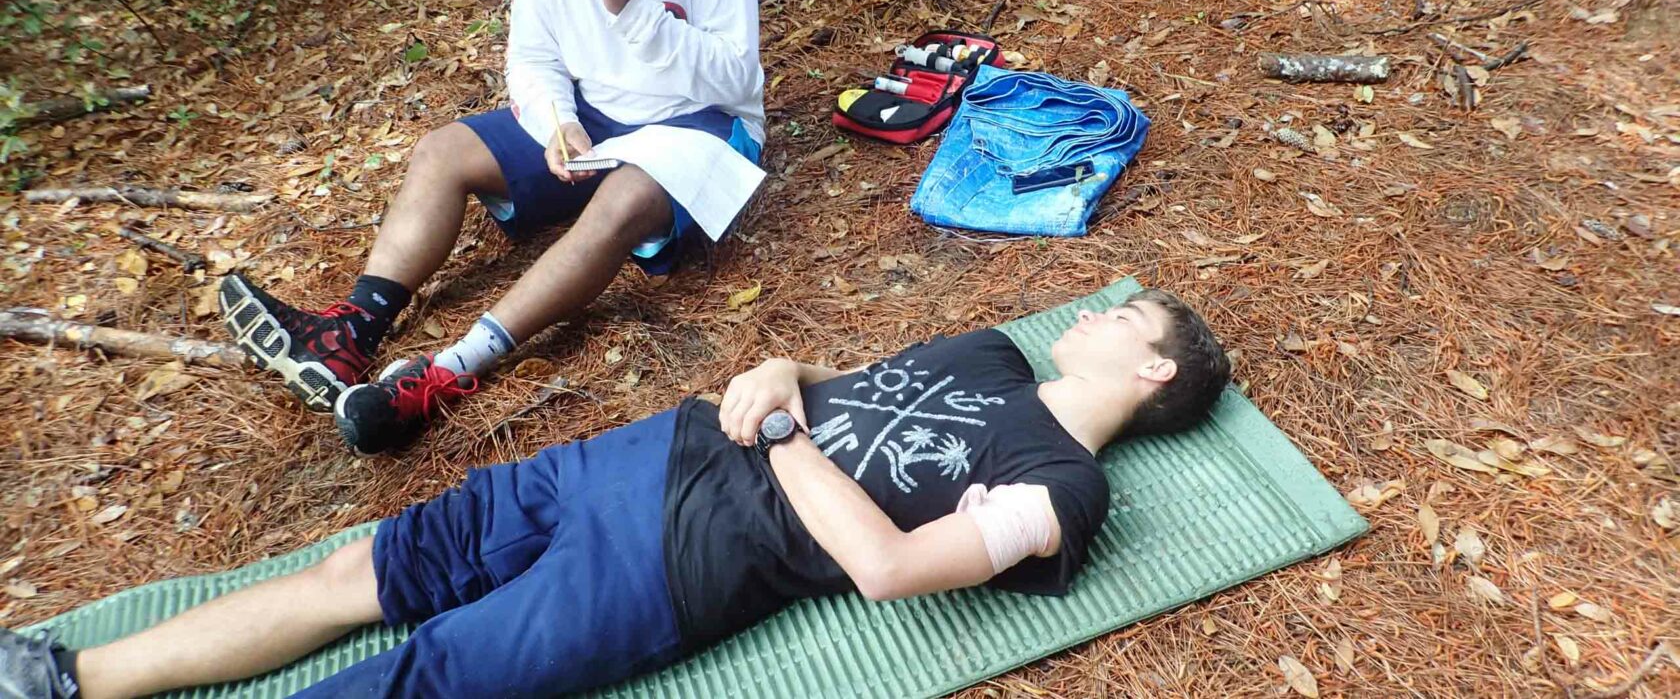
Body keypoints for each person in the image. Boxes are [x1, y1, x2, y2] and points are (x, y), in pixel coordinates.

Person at [1, 291, 1231, 699]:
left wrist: (790, 436)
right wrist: (778, 370)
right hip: (647, 451)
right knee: (359, 575)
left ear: (1156, 366)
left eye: (1129, 313)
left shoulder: (1065, 490)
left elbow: (894, 570)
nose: (1101, 307)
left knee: (422, 670)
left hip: (676, 559)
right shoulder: (995, 353)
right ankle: (67, 677)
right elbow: (832, 379)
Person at [216, 0, 766, 455]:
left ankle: (449, 370)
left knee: (619, 203)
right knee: (441, 152)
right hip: (596, 114)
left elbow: (737, 79)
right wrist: (558, 122)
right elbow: (533, 60)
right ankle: (351, 332)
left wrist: (632, 5)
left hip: (701, 123)